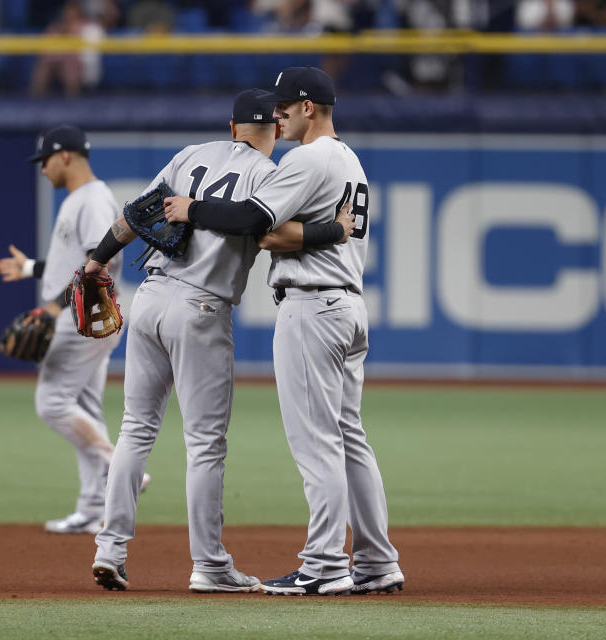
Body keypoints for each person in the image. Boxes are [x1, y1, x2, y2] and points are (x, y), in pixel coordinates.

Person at [164, 67, 404, 596]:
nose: (276, 116)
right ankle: (376, 560)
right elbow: (284, 232)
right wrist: (306, 233)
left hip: (311, 308)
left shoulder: (308, 158)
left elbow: (258, 225)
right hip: (347, 307)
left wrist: (194, 207)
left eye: (284, 108)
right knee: (348, 440)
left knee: (317, 441)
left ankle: (324, 564)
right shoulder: (350, 161)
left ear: (310, 108)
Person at [82, 89, 281, 593]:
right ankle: (211, 566)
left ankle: (110, 548)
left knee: (134, 429)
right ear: (275, 131)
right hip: (201, 308)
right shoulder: (270, 174)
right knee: (205, 446)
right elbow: (263, 228)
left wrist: (95, 259)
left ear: (232, 126)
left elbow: (137, 213)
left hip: (149, 297)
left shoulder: (192, 155)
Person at [0, 124, 147, 534]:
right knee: (84, 408)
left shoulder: (93, 199)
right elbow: (74, 262)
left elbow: (103, 261)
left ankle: (120, 464)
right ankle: (94, 506)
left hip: (83, 315)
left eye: (44, 160)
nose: (42, 169)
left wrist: (52, 306)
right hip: (83, 313)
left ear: (64, 156)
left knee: (52, 402)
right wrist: (31, 268)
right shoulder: (80, 199)